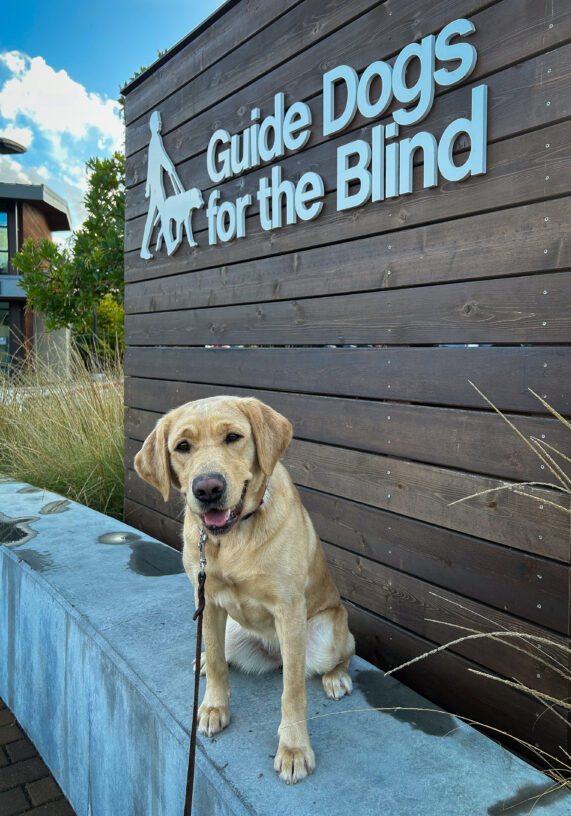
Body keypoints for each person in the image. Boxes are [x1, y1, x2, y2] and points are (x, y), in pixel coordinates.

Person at [140, 111, 184, 259]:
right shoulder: (155, 140)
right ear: (152, 125)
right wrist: (169, 167)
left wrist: (148, 188)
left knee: (153, 218)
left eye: (160, 121)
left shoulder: (154, 140)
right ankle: (168, 243)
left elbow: (156, 161)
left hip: (155, 187)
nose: (160, 123)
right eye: (157, 121)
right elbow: (160, 159)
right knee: (163, 214)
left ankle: (145, 248)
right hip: (156, 188)